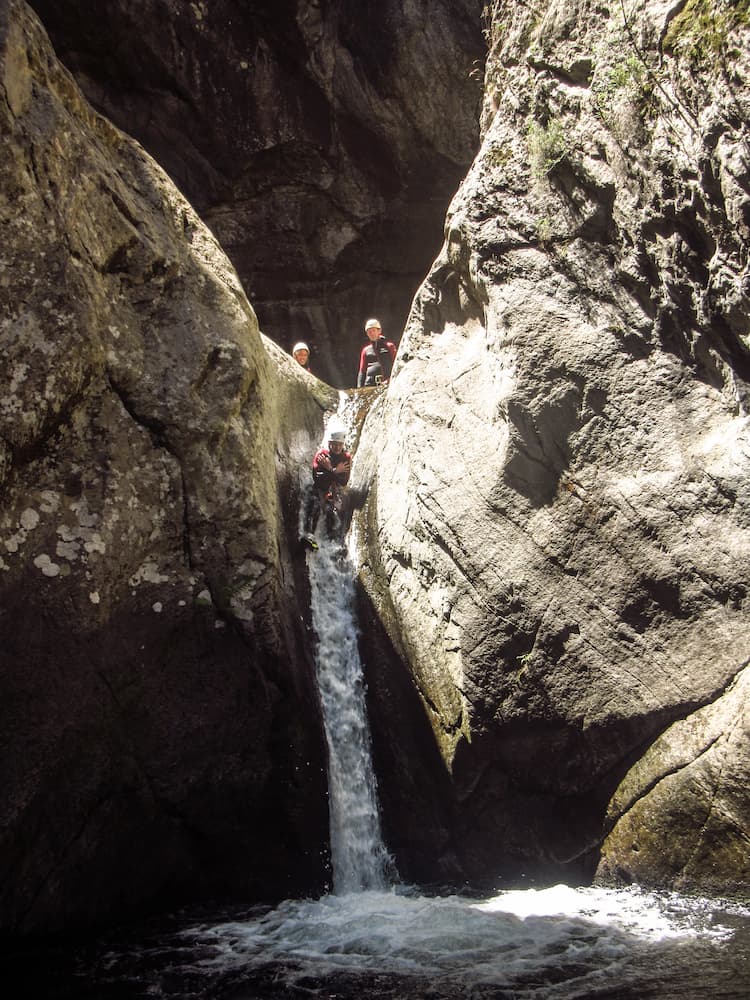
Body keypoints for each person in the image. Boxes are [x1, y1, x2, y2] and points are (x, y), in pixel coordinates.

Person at [303, 430, 352, 543]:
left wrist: (329, 470)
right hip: (322, 489)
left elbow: (344, 481)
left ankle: (336, 543)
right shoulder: (321, 455)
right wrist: (335, 471)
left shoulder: (346, 457)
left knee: (337, 509)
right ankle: (309, 535)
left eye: (340, 444)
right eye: (334, 444)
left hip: (336, 492)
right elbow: (317, 478)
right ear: (329, 443)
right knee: (315, 500)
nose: (337, 447)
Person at [356, 318, 397, 388]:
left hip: (386, 384)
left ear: (379, 331)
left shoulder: (389, 346)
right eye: (369, 332)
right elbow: (362, 372)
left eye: (373, 330)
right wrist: (359, 389)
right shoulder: (366, 350)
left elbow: (397, 365)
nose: (371, 333)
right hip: (370, 385)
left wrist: (391, 380)